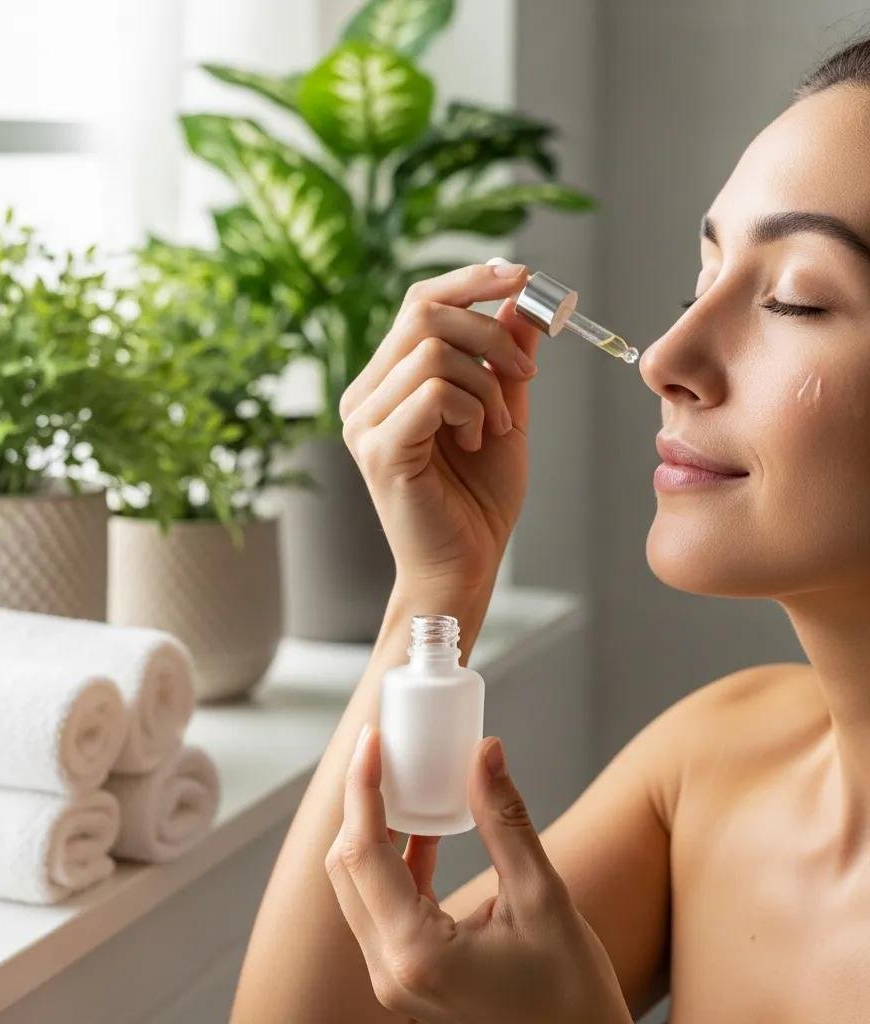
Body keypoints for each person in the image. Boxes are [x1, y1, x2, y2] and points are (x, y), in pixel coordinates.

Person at [229, 32, 870, 1024]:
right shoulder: (715, 763)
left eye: (795, 301)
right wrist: (438, 589)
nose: (665, 357)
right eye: (700, 282)